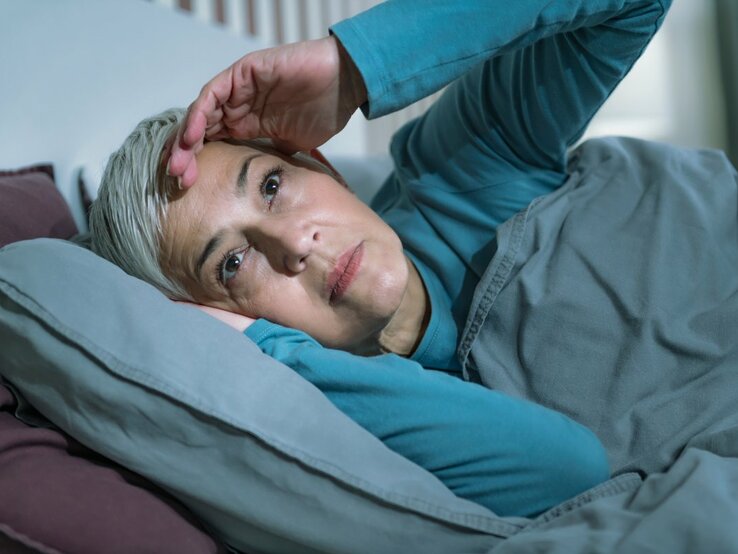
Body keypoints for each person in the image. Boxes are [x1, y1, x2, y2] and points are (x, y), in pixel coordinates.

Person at [90, 0, 681, 517]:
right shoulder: (352, 417)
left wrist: (352, 70)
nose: (295, 242)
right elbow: (565, 469)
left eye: (271, 186)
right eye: (233, 264)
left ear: (320, 164)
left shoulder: (461, 165)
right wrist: (260, 355)